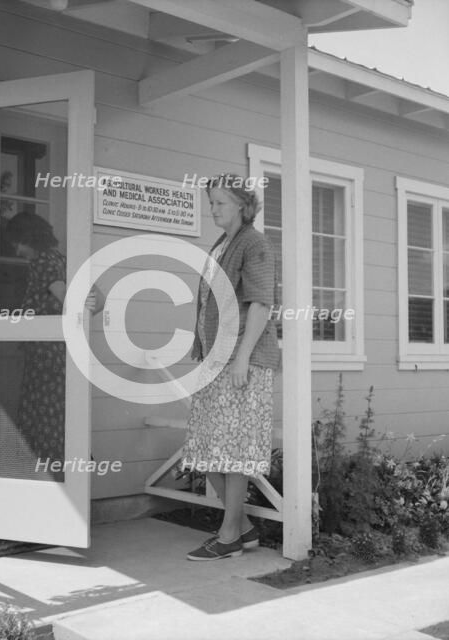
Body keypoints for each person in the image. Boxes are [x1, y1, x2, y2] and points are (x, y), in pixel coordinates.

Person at [181, 173, 280, 561]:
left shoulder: (254, 243)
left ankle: (228, 538)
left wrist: (241, 358)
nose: (213, 209)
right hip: (215, 361)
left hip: (243, 360)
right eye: (211, 203)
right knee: (204, 450)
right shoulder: (222, 244)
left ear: (241, 204)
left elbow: (260, 303)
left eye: (220, 202)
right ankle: (245, 529)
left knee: (231, 452)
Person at [6, 211, 103, 479]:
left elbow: (66, 299)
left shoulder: (42, 262)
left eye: (18, 243)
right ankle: (67, 476)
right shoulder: (65, 260)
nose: (16, 250)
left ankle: (50, 479)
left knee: (43, 418)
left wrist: (71, 315)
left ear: (29, 239)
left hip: (46, 355)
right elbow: (99, 299)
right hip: (62, 352)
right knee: (61, 415)